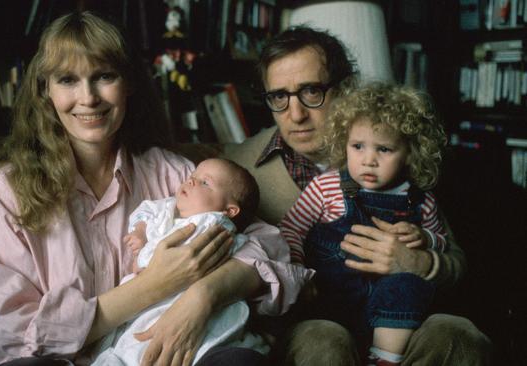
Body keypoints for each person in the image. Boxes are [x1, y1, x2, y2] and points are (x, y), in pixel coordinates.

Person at [0, 12, 312, 366]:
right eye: (67, 79)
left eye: (104, 76)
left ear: (128, 82)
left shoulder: (174, 174)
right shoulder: (9, 191)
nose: (88, 98)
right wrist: (157, 283)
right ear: (46, 90)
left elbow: (271, 250)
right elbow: (16, 337)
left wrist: (204, 294)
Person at [223, 26, 492, 365]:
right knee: (322, 342)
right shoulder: (236, 166)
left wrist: (420, 261)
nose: (296, 114)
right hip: (319, 318)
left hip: (400, 317)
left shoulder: (391, 153)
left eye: (311, 91)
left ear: (344, 88)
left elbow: (455, 259)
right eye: (279, 96)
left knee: (458, 334)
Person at [279, 82, 448, 365]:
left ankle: (384, 359)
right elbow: (291, 228)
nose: (369, 160)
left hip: (394, 319)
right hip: (333, 301)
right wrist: (297, 268)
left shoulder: (419, 199)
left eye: (384, 149)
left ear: (409, 152)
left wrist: (425, 238)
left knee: (407, 285)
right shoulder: (327, 186)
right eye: (358, 146)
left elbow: (441, 242)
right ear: (344, 143)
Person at [94, 158, 268, 365]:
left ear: (229, 211)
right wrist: (141, 232)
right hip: (154, 306)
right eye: (192, 177)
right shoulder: (171, 213)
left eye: (205, 183)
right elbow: (147, 211)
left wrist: (144, 258)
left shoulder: (214, 225)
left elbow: (267, 250)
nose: (192, 182)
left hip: (186, 308)